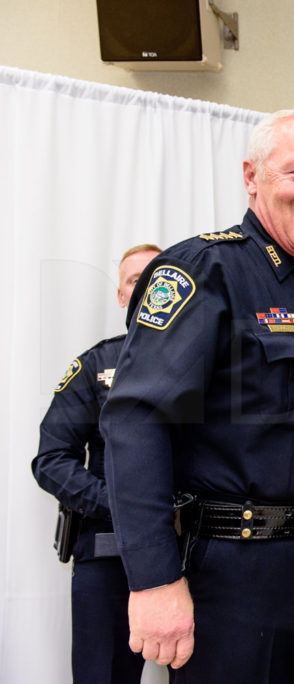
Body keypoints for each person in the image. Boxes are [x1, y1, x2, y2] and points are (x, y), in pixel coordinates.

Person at [99, 107, 294, 683]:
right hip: (237, 579)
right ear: (253, 178)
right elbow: (137, 421)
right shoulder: (204, 270)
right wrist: (153, 580)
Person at [32, 243, 162, 683]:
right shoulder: (96, 365)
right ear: (122, 296)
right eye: (133, 280)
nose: (144, 285)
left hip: (199, 555)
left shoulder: (211, 366)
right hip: (109, 554)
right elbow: (51, 459)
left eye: (155, 276)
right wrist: (121, 505)